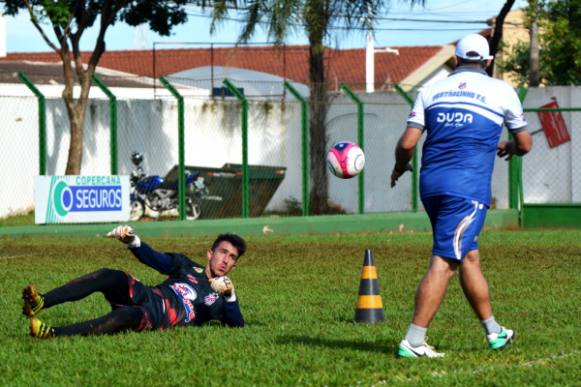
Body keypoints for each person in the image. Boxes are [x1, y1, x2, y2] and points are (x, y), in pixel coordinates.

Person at [390, 33, 532, 358]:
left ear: (454, 60)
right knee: (445, 261)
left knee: (469, 256)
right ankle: (413, 340)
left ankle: (494, 332)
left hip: (431, 186)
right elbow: (524, 144)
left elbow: (408, 143)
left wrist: (399, 168)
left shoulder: (431, 90)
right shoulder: (501, 91)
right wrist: (507, 145)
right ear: (489, 62)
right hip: (466, 191)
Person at [22, 225, 246, 338]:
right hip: (144, 295)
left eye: (232, 257)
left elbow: (237, 325)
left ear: (235, 265)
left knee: (126, 315)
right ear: (210, 253)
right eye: (222, 252)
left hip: (152, 317)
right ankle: (41, 301)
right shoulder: (186, 265)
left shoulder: (220, 301)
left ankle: (53, 333)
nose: (225, 260)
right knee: (108, 276)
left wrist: (229, 295)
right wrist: (132, 240)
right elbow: (155, 258)